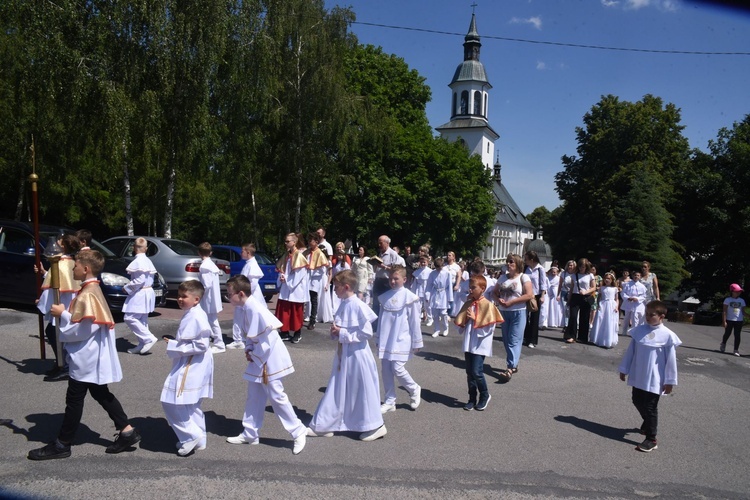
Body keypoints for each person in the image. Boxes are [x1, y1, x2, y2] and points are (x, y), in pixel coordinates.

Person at [28, 250, 141, 460]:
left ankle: (62, 444)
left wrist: (62, 314)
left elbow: (83, 329)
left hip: (86, 356)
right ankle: (127, 431)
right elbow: (86, 324)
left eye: (76, 266)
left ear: (86, 269)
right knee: (100, 392)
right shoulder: (90, 290)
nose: (73, 269)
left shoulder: (88, 294)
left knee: (74, 399)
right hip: (90, 354)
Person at [224, 276, 307, 454]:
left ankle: (298, 431)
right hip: (260, 357)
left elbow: (266, 340)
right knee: (254, 395)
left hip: (268, 359)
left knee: (277, 396)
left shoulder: (254, 309)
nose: (228, 297)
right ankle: (250, 432)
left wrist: (253, 354)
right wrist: (248, 349)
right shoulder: (247, 308)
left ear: (240, 294)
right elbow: (251, 336)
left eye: (229, 294)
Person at [306, 270, 386, 442]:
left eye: (337, 286)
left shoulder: (358, 305)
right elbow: (342, 328)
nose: (334, 290)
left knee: (362, 390)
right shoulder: (343, 303)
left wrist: (342, 333)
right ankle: (327, 424)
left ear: (346, 287)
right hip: (344, 354)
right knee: (338, 388)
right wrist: (336, 332)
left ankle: (375, 425)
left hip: (357, 356)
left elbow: (366, 333)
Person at [618, 300, 681, 452]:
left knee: (650, 407)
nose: (647, 317)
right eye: (646, 314)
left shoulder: (668, 336)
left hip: (655, 378)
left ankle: (651, 439)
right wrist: (624, 369)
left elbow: (671, 361)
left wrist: (670, 381)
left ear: (661, 316)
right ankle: (647, 423)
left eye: (651, 315)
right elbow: (630, 352)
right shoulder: (639, 331)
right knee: (637, 400)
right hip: (638, 374)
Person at [160, 280, 214, 456]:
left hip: (192, 363)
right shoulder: (193, 313)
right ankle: (200, 439)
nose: (180, 299)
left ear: (196, 299)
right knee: (191, 404)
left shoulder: (196, 316)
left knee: (171, 401)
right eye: (179, 296)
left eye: (184, 296)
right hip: (194, 362)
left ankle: (191, 436)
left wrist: (175, 346)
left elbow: (201, 345)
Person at [375, 266, 423, 414]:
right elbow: (381, 319)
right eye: (391, 278)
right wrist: (378, 337)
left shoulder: (410, 297)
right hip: (386, 338)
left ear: (404, 279)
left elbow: (415, 321)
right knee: (386, 369)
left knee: (397, 368)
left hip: (402, 338)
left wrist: (417, 341)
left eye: (396, 278)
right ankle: (390, 400)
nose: (393, 281)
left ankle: (414, 388)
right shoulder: (385, 297)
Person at [36, 233, 81, 381]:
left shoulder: (60, 264)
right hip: (67, 302)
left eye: (59, 242)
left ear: (62, 246)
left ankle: (65, 365)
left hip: (62, 302)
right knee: (54, 332)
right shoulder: (70, 262)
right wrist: (44, 273)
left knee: (56, 333)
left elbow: (53, 287)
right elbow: (57, 280)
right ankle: (61, 362)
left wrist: (42, 304)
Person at [455, 275, 504, 411]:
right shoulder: (468, 303)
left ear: (482, 289)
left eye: (473, 288)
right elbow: (460, 324)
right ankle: (471, 398)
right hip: (469, 342)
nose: (470, 290)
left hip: (480, 343)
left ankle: (484, 395)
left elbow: (490, 327)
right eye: (469, 288)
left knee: (477, 371)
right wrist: (464, 321)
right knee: (469, 372)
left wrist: (475, 318)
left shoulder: (488, 305)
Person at [492, 253, 533, 381]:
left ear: (518, 264)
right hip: (504, 312)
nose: (508, 264)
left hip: (519, 311)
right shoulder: (502, 278)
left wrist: (512, 302)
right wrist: (499, 300)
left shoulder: (524, 277)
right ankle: (514, 365)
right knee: (506, 339)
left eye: (511, 262)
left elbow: (529, 295)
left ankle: (509, 368)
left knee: (513, 339)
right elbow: (494, 292)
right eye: (507, 262)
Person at [122, 237, 158, 355]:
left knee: (130, 317)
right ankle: (142, 344)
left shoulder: (139, 261)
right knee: (142, 319)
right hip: (147, 291)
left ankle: (148, 338)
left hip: (141, 292)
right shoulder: (147, 261)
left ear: (134, 248)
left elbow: (140, 280)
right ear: (146, 249)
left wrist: (127, 288)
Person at [275, 233, 309, 344]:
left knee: (295, 312)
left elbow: (299, 274)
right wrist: (281, 276)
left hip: (295, 288)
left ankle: (297, 333)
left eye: (288, 241)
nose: (286, 243)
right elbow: (282, 269)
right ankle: (284, 332)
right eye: (285, 241)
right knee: (284, 310)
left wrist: (287, 280)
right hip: (286, 287)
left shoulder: (299, 256)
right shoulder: (286, 255)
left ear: (294, 242)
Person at [198, 242, 226, 354]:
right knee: (210, 320)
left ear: (199, 253)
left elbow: (206, 285)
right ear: (211, 253)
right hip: (212, 297)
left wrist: (199, 294)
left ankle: (219, 344)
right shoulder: (211, 265)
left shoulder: (204, 266)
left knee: (213, 321)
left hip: (207, 298)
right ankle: (208, 339)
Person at [371, 235, 405, 319]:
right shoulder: (380, 254)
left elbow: (396, 270)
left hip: (387, 281)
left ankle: (386, 320)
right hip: (378, 280)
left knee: (386, 302)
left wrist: (383, 266)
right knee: (375, 302)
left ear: (387, 243)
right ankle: (375, 323)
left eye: (381, 243)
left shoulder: (393, 254)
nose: (379, 245)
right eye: (378, 243)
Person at [563, 258, 596, 344]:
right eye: (580, 266)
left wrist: (586, 291)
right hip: (575, 296)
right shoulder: (574, 275)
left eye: (584, 267)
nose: (582, 268)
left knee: (584, 318)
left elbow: (594, 287)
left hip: (586, 297)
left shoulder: (590, 275)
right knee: (573, 316)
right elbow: (571, 289)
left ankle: (582, 337)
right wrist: (569, 300)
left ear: (586, 267)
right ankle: (571, 336)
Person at [304, 232, 331, 330]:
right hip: (306, 279)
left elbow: (323, 270)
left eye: (311, 241)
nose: (309, 243)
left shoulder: (320, 253)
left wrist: (312, 271)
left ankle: (312, 320)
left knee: (313, 300)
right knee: (306, 299)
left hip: (315, 280)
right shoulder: (307, 252)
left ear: (316, 241)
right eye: (308, 241)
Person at [523, 251, 548, 349]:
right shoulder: (526, 268)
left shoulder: (540, 269)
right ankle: (526, 336)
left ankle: (533, 340)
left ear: (532, 260)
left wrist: (542, 296)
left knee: (534, 318)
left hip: (536, 295)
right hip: (526, 294)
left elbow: (543, 283)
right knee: (524, 316)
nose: (525, 261)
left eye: (526, 259)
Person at [589, 272, 619, 348]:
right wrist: (598, 304)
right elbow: (599, 297)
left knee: (609, 321)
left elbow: (617, 299)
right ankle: (599, 338)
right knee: (601, 321)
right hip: (603, 304)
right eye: (605, 278)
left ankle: (608, 339)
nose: (607, 280)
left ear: (612, 280)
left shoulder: (615, 289)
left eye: (609, 278)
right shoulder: (602, 288)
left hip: (611, 305)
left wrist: (616, 307)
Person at [427, 257, 453, 338]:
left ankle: (446, 328)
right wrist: (427, 295)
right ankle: (436, 330)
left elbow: (450, 286)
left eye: (440, 267)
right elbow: (429, 285)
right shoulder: (432, 273)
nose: (439, 269)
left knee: (443, 313)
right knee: (435, 314)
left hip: (443, 294)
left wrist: (450, 298)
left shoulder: (447, 273)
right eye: (437, 267)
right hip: (435, 293)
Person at [619, 270, 647, 337]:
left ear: (640, 277)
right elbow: (623, 293)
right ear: (632, 276)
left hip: (637, 304)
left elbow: (644, 296)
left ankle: (634, 332)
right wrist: (627, 298)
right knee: (626, 318)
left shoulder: (642, 286)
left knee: (635, 318)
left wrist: (637, 299)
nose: (636, 277)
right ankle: (624, 331)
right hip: (629, 303)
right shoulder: (627, 284)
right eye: (635, 275)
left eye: (638, 275)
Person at [721, 283, 745, 356]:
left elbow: (743, 311)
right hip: (730, 319)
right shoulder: (727, 300)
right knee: (727, 333)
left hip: (739, 320)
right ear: (732, 292)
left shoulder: (742, 301)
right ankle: (723, 343)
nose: (738, 293)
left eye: (739, 292)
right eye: (736, 291)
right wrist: (724, 321)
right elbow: (724, 311)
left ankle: (736, 350)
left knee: (737, 335)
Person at [330, 242, 351, 313]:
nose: (339, 257)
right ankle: (334, 309)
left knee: (341, 296)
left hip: (342, 281)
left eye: (341, 256)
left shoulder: (345, 264)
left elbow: (348, 271)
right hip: (336, 281)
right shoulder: (336, 263)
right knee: (335, 296)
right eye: (338, 255)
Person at [411, 255, 432, 324]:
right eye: (421, 262)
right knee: (418, 304)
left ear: (427, 262)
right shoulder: (417, 271)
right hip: (419, 289)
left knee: (427, 305)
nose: (423, 264)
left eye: (424, 262)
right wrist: (413, 291)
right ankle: (418, 317)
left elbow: (430, 282)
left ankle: (430, 318)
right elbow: (415, 282)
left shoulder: (430, 271)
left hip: (426, 288)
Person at [557, 260, 576, 329]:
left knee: (572, 309)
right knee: (566, 309)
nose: (570, 267)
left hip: (573, 293)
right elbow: (560, 284)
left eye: (571, 265)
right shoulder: (563, 273)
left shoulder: (576, 274)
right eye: (569, 265)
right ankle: (566, 325)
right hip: (564, 292)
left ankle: (573, 324)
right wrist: (558, 294)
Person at [445, 251, 462, 316]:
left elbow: (459, 276)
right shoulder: (444, 265)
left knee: (451, 299)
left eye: (449, 255)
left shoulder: (456, 266)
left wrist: (457, 285)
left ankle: (449, 313)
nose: (448, 257)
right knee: (444, 298)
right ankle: (444, 312)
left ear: (453, 257)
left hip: (452, 284)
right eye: (447, 255)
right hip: (445, 285)